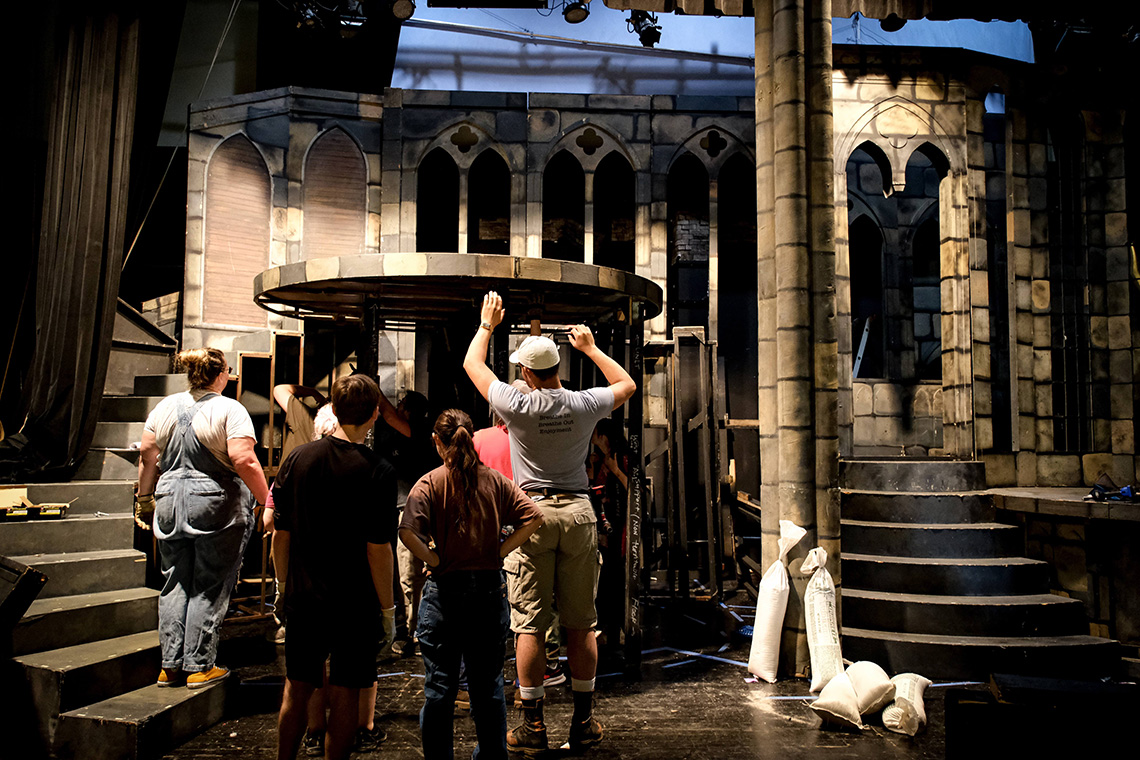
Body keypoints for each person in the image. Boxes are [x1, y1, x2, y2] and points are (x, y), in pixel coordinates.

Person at [463, 291, 637, 754]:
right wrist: (592, 348)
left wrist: (487, 325)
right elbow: (627, 385)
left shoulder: (517, 406)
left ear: (525, 374)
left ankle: (533, 726)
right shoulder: (582, 404)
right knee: (582, 624)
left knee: (530, 626)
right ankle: (583, 722)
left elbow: (472, 367)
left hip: (532, 514)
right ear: (558, 368)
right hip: (578, 514)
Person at [400, 409, 543, 760]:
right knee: (488, 687)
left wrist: (434, 560)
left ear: (437, 441)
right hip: (487, 590)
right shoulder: (494, 481)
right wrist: (499, 551)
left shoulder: (430, 482)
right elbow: (534, 516)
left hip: (445, 591)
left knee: (439, 688)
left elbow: (406, 532)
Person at [272, 375, 398, 760]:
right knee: (346, 691)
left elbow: (281, 533)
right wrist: (389, 610)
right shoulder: (378, 470)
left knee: (297, 687)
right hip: (355, 602)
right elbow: (378, 550)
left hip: (305, 596)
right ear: (376, 414)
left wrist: (282, 585)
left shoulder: (299, 458)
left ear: (335, 411)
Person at [135, 347, 269, 689]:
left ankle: (170, 666)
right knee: (208, 583)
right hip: (214, 504)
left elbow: (148, 457)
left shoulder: (164, 407)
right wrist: (267, 499)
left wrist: (144, 499)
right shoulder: (229, 408)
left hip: (167, 501)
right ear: (221, 374)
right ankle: (199, 665)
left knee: (174, 582)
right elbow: (244, 460)